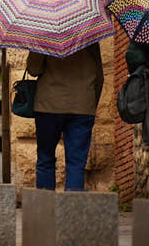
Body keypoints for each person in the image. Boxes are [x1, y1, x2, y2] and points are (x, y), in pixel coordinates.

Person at [28, 44, 104, 191]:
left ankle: (45, 209)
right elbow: (99, 76)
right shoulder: (90, 36)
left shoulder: (44, 34)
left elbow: (33, 69)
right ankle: (72, 211)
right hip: (82, 106)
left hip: (48, 106)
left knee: (45, 159)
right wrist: (91, 104)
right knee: (76, 162)